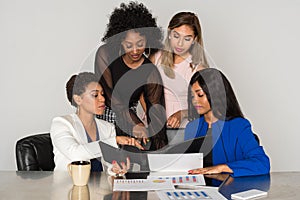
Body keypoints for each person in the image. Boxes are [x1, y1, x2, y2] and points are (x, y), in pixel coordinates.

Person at [94, 1, 168, 150]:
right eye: (129, 45)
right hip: (105, 115)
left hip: (130, 121)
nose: (135, 50)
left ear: (148, 39)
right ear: (120, 40)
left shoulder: (150, 71)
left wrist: (161, 153)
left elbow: (156, 112)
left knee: (133, 161)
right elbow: (109, 95)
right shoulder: (105, 54)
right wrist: (136, 123)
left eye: (140, 44)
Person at [185, 68, 270, 177]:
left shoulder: (238, 126)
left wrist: (222, 167)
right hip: (198, 188)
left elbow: (262, 163)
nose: (195, 100)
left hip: (228, 189)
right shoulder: (191, 127)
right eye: (192, 96)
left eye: (200, 95)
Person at [50, 72, 139, 173]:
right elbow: (75, 154)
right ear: (78, 99)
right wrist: (114, 140)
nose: (102, 99)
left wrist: (115, 169)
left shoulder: (108, 127)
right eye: (95, 95)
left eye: (102, 94)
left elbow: (108, 166)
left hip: (100, 187)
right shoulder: (61, 123)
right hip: (67, 187)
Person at [150, 12, 208, 128]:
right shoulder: (156, 58)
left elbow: (205, 105)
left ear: (194, 40)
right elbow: (143, 91)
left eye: (187, 39)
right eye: (176, 36)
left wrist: (181, 114)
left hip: (183, 129)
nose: (180, 44)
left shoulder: (198, 69)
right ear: (170, 33)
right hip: (152, 126)